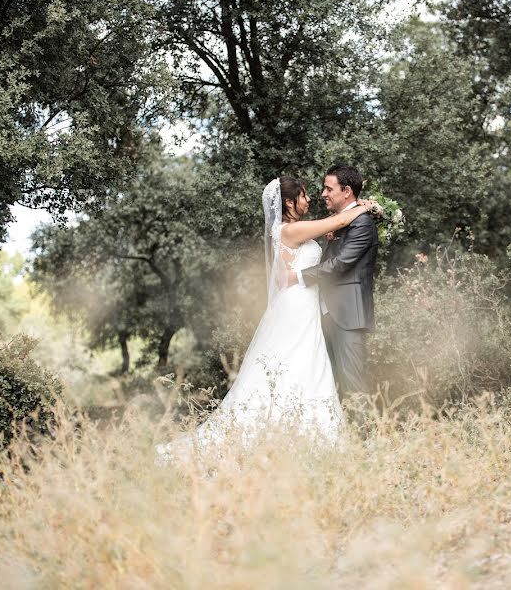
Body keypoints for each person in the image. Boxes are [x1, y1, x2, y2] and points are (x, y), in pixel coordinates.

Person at [155, 176, 379, 463]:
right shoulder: (289, 230)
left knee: (302, 364)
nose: (310, 199)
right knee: (297, 362)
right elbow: (334, 223)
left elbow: (330, 228)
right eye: (304, 195)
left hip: (304, 303)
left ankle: (306, 437)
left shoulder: (291, 229)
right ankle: (306, 438)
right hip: (297, 304)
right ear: (288, 202)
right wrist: (363, 207)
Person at [290, 165, 379, 410]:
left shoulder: (361, 223)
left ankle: (365, 444)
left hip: (348, 316)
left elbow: (340, 264)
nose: (323, 194)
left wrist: (297, 276)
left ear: (347, 191)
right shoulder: (340, 223)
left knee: (353, 386)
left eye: (329, 188)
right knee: (332, 386)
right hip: (327, 314)